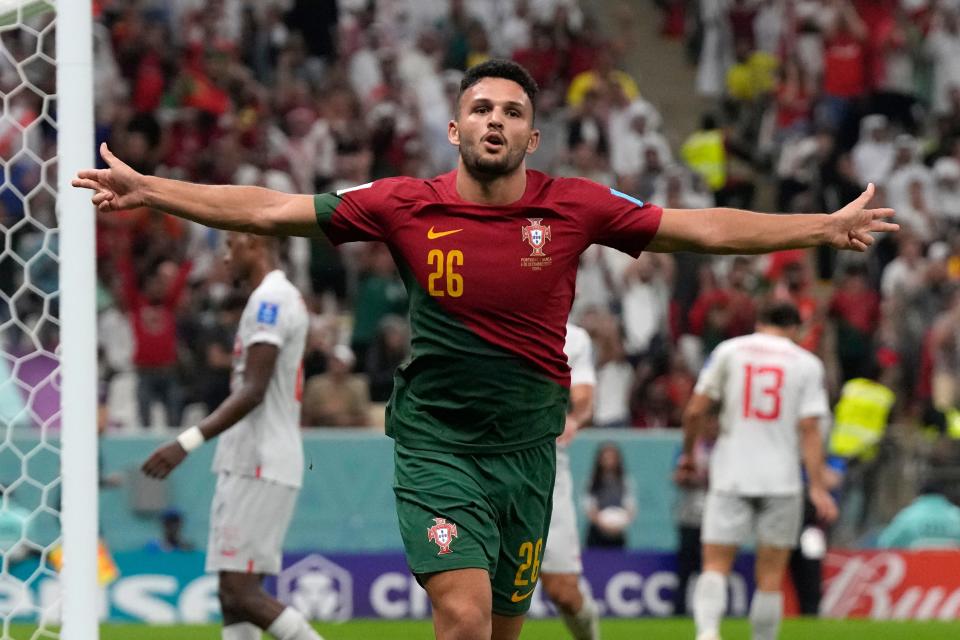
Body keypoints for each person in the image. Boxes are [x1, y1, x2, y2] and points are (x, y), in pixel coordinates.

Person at [75, 59, 895, 640]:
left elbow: (703, 228)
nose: (494, 121)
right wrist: (151, 189)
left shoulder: (575, 206)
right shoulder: (402, 203)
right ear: (455, 125)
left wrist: (821, 227)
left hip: (529, 452)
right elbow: (269, 207)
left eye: (510, 112)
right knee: (461, 617)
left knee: (502, 629)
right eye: (482, 109)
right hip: (437, 448)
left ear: (532, 136)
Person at [140, 232, 320, 640]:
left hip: (260, 460)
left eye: (229, 246)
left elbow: (253, 390)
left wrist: (184, 443)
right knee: (230, 594)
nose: (223, 258)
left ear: (254, 244)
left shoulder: (271, 301)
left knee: (241, 591)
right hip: (247, 458)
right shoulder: (270, 298)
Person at [678, 302, 839, 640]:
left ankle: (707, 634)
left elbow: (695, 410)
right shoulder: (807, 364)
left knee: (715, 564)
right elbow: (809, 427)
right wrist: (818, 486)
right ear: (796, 327)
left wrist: (690, 455)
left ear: (760, 321)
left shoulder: (729, 351)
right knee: (770, 574)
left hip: (730, 474)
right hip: (782, 480)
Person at [540, 323, 600, 640]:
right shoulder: (489, 318)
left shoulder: (574, 336)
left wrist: (574, 418)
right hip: (486, 460)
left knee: (563, 591)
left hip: (548, 465)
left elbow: (584, 395)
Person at [584, 442, 636, 549]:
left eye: (612, 458)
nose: (608, 461)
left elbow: (630, 507)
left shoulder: (625, 481)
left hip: (618, 533)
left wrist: (618, 525)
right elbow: (589, 506)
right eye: (605, 458)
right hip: (596, 534)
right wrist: (601, 524)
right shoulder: (592, 481)